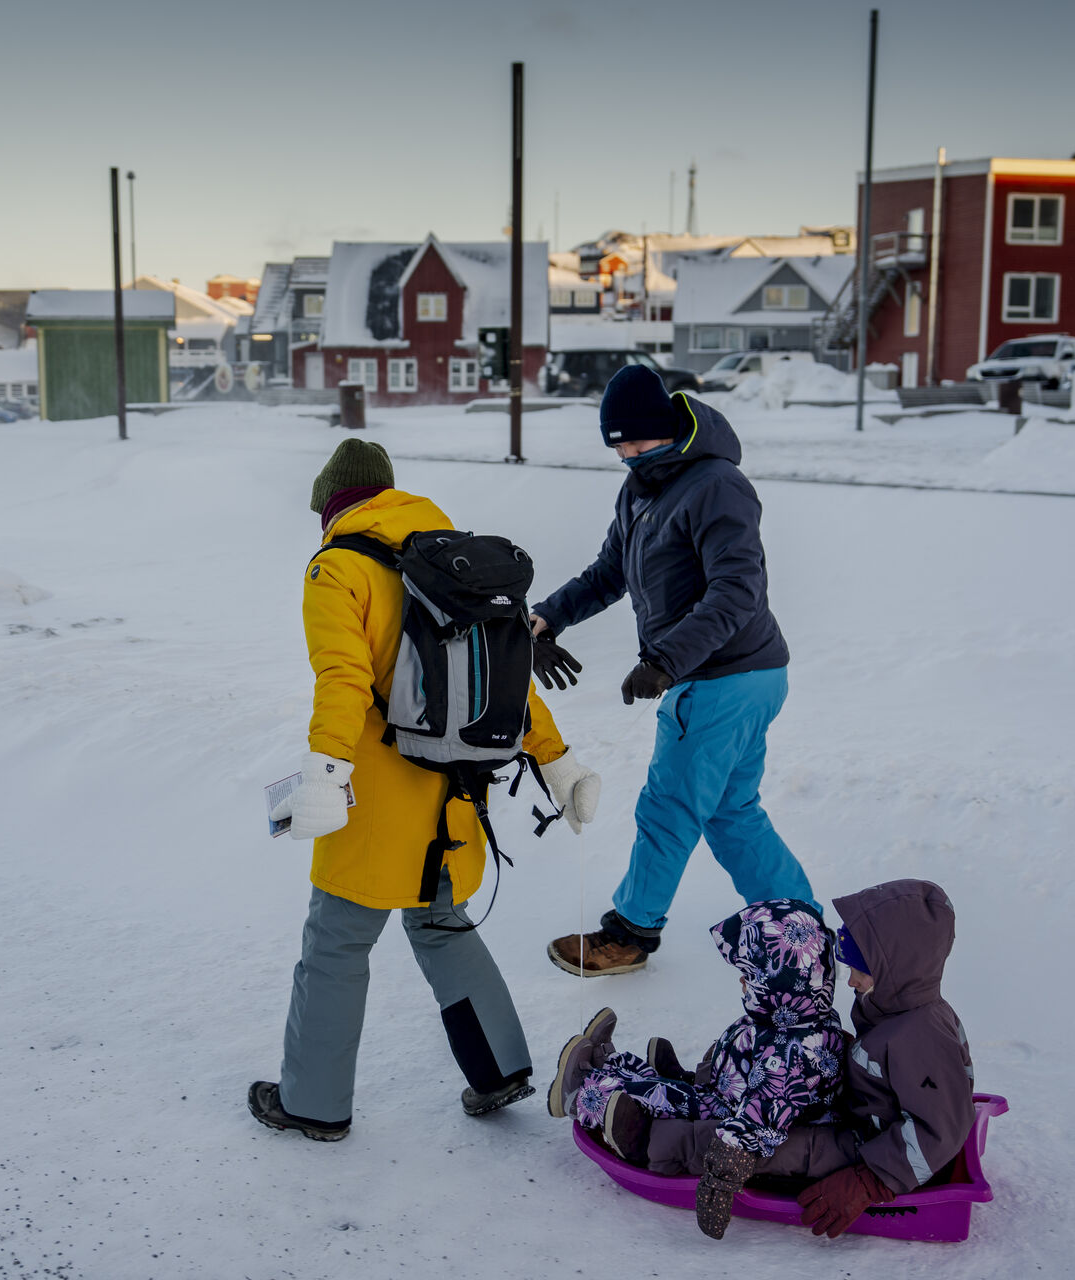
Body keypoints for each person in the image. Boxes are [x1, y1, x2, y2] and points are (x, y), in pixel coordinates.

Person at [250, 439, 604, 1142]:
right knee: (441, 924)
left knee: (336, 945)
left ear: (332, 504)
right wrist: (557, 761)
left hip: (378, 802)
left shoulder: (338, 568)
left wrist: (325, 771)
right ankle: (499, 1068)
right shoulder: (455, 567)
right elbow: (509, 684)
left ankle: (313, 1104)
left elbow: (343, 683)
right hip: (458, 798)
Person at [530, 364, 811, 976]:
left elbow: (738, 590)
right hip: (736, 674)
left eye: (634, 440)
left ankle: (630, 935)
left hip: (724, 675)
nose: (626, 453)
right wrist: (547, 619)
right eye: (616, 444)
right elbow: (609, 572)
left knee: (668, 807)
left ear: (666, 428)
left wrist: (665, 659)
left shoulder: (715, 485)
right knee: (731, 811)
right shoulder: (640, 489)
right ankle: (800, 929)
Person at [618, 879, 976, 1241]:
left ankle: (651, 1140)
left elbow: (941, 1130)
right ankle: (691, 1090)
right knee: (775, 1087)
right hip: (855, 1118)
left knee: (772, 1144)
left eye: (860, 970)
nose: (850, 980)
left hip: (867, 1148)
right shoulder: (899, 1007)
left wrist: (869, 1181)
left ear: (896, 968)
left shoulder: (920, 1034)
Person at [546, 898, 847, 1170]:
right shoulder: (801, 1014)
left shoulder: (789, 1052)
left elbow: (763, 1116)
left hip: (724, 1114)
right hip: (726, 1094)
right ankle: (609, 1065)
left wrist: (725, 1172)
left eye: (752, 977)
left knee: (657, 1097)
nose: (743, 982)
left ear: (779, 983)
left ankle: (578, 1094)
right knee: (664, 1091)